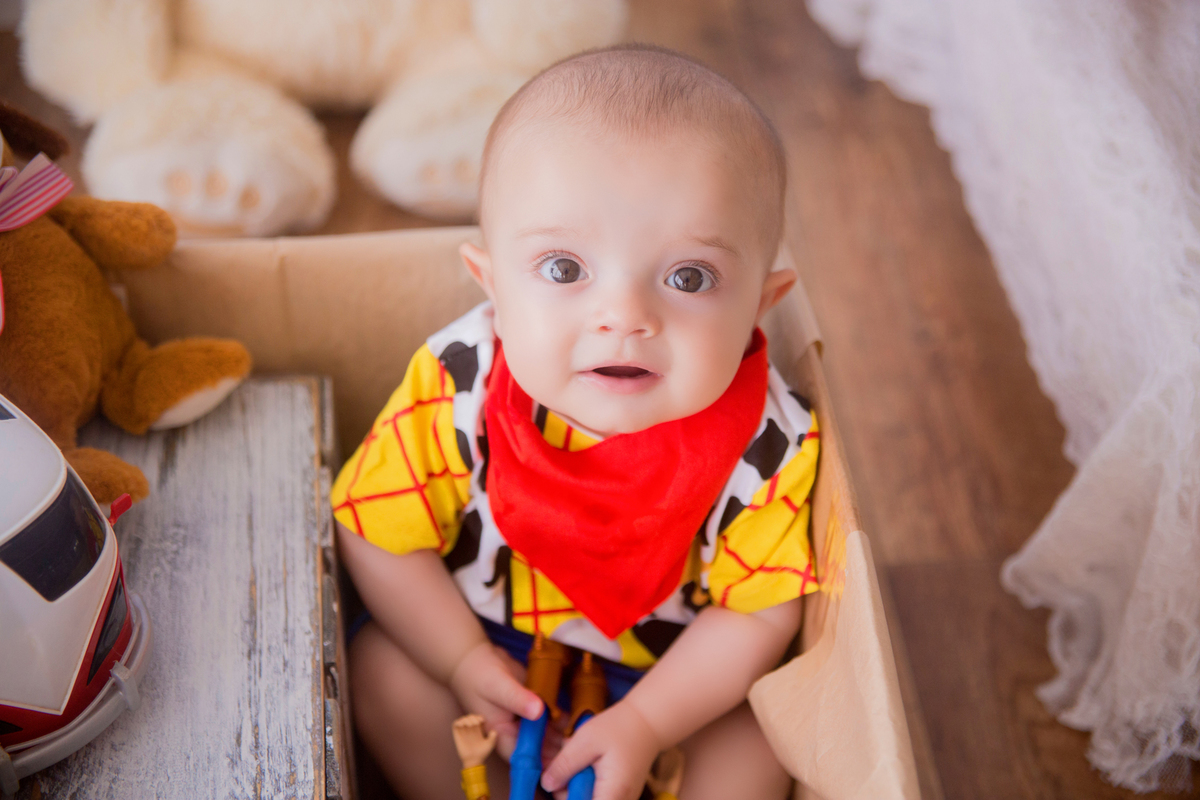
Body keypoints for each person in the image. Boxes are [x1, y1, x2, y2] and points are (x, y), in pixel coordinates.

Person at [331, 44, 820, 800]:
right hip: (487, 655)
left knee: (762, 744)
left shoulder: (768, 446)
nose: (624, 316)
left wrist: (649, 723)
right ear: (491, 283)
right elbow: (373, 528)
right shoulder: (458, 381)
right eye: (564, 269)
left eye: (688, 277)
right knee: (379, 673)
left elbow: (759, 617)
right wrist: (459, 661)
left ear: (762, 300)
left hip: (670, 686)